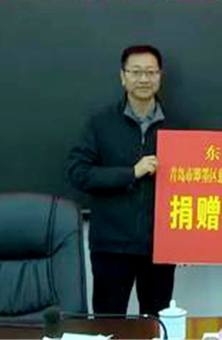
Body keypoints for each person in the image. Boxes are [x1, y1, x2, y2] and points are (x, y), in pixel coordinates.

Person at [66, 44, 180, 316]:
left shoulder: (178, 126)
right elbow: (78, 172)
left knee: (156, 324)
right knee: (108, 323)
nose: (144, 79)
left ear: (160, 76)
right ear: (123, 76)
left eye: (150, 72)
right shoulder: (99, 123)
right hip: (111, 246)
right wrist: (131, 173)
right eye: (136, 72)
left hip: (160, 247)